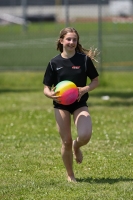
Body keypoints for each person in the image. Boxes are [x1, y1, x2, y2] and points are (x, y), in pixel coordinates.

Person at [43, 27, 99, 182]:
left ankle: (77, 146)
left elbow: (95, 81)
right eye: (68, 39)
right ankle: (70, 175)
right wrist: (51, 95)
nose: (71, 42)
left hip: (80, 103)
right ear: (61, 41)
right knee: (66, 140)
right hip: (61, 105)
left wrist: (85, 89)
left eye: (74, 39)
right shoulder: (54, 63)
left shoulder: (84, 60)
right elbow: (46, 88)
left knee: (85, 135)